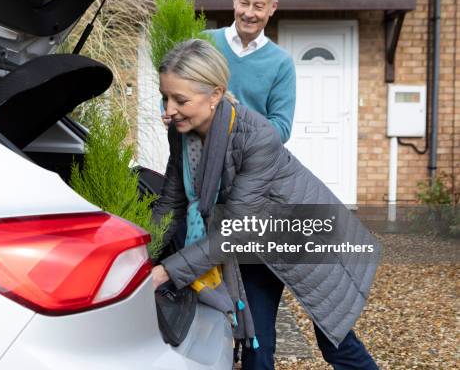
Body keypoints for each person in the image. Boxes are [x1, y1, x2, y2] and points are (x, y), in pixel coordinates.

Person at [151, 39, 379, 370]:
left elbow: (235, 231)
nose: (168, 110)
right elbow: (171, 201)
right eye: (165, 97)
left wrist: (166, 271)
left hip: (303, 235)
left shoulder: (255, 135)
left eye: (180, 99)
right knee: (256, 346)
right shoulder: (181, 132)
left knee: (337, 346)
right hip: (255, 242)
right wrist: (141, 256)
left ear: (215, 95)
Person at [207, 0, 295, 143]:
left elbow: (282, 128)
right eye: (244, 3)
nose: (249, 13)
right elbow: (178, 90)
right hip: (202, 156)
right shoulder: (206, 42)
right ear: (234, 1)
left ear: (272, 8)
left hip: (250, 164)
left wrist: (233, 131)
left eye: (258, 6)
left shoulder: (281, 62)